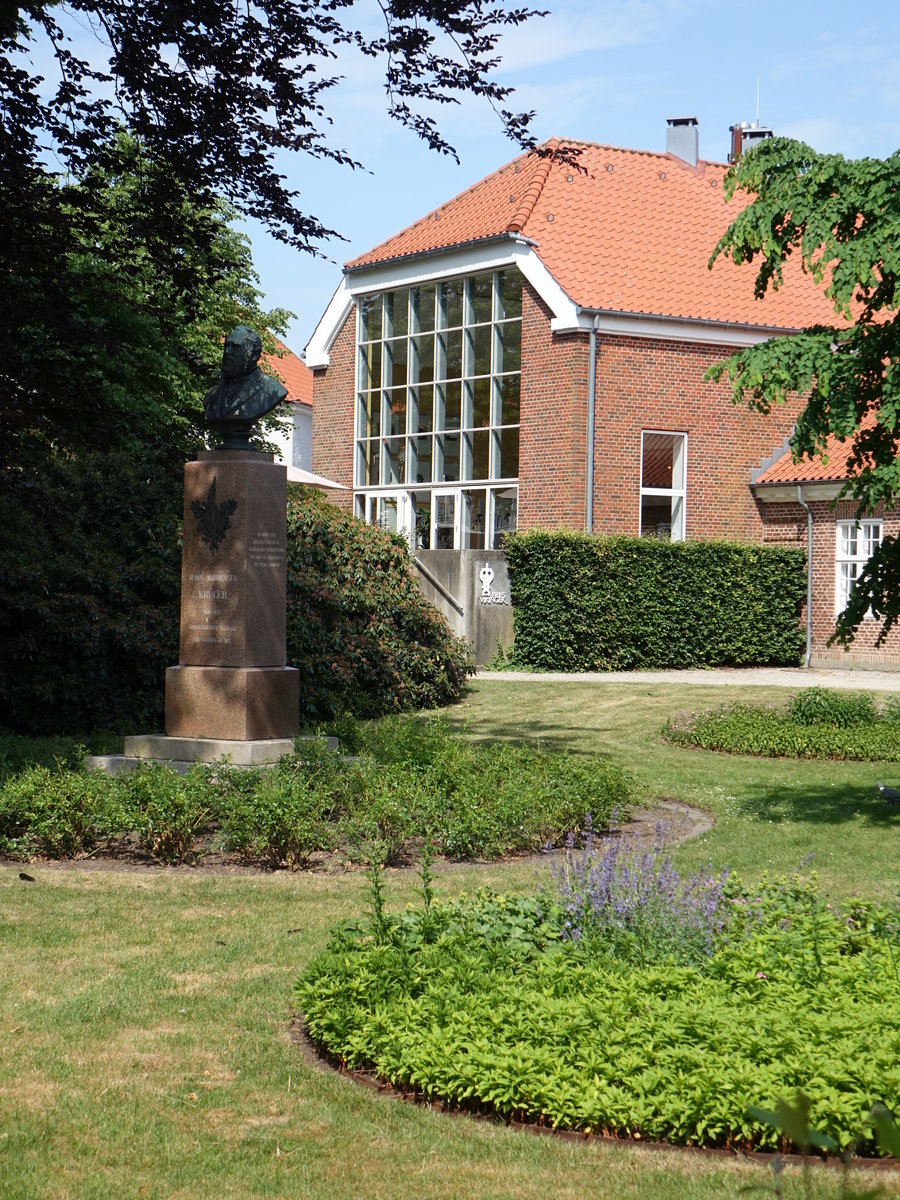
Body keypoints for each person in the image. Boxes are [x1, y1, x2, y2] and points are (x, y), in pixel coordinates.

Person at [203, 326, 287, 424]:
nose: (227, 351)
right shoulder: (213, 395)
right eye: (226, 346)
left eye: (235, 347)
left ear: (254, 355)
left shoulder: (271, 389)